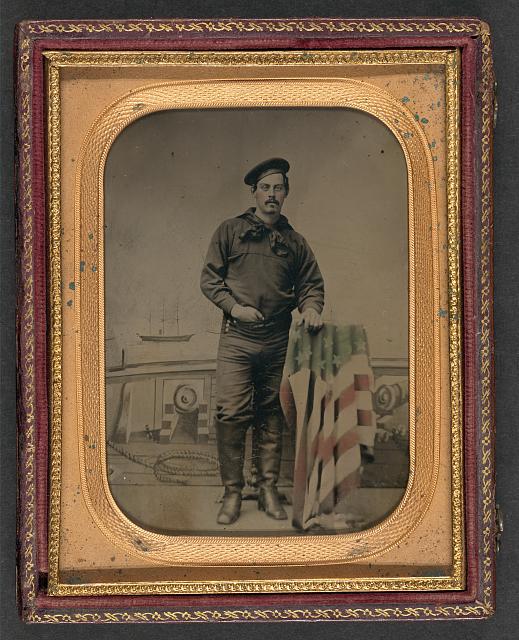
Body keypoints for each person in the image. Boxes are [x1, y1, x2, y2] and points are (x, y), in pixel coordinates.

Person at [200, 158, 325, 525]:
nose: (272, 195)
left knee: (271, 412)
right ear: (254, 193)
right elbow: (210, 280)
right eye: (265, 188)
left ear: (286, 193)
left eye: (278, 188)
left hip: (277, 341)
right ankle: (232, 493)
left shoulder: (295, 242)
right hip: (237, 339)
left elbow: (311, 285)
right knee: (232, 412)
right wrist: (234, 308)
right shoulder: (229, 231)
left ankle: (268, 488)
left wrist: (312, 309)